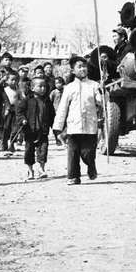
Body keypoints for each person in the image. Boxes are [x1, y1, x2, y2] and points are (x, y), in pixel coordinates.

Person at [53, 56, 103, 185]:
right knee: (73, 153)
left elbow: (101, 102)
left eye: (84, 66)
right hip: (73, 126)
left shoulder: (94, 85)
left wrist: (103, 92)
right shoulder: (69, 87)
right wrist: (58, 128)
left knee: (88, 153)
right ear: (73, 70)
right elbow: (62, 108)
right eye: (79, 66)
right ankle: (73, 176)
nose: (83, 69)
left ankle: (91, 166)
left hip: (90, 126)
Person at [16, 76, 55, 180]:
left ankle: (42, 169)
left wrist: (55, 130)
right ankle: (30, 170)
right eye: (40, 86)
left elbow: (52, 116)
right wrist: (23, 120)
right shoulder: (27, 100)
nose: (43, 88)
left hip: (43, 131)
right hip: (30, 131)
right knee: (29, 151)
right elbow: (19, 112)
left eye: (44, 86)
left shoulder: (47, 101)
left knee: (43, 150)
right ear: (32, 88)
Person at [1, 70, 21, 154]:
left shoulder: (18, 90)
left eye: (16, 80)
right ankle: (4, 143)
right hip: (7, 110)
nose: (14, 82)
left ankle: (12, 143)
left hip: (16, 110)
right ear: (7, 81)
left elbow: (21, 99)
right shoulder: (5, 90)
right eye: (12, 79)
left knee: (15, 128)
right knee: (6, 127)